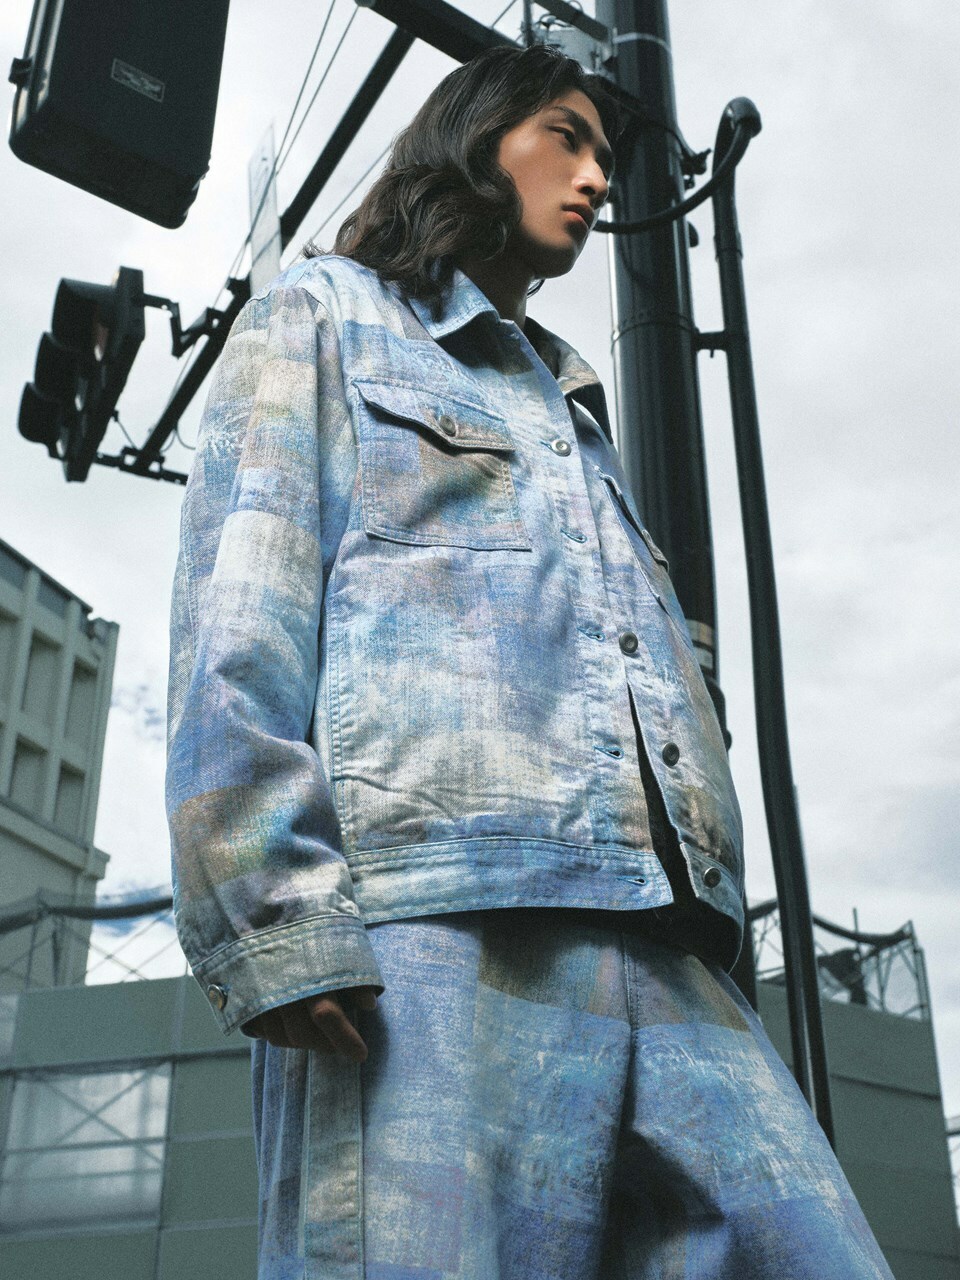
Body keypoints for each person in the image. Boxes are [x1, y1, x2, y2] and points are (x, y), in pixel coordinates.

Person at [166, 42, 893, 1280]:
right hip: (434, 925)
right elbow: (242, 604)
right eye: (567, 136)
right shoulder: (326, 312)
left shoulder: (573, 409)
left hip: (668, 945)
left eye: (606, 152)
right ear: (473, 140)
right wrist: (272, 913)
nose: (599, 177)